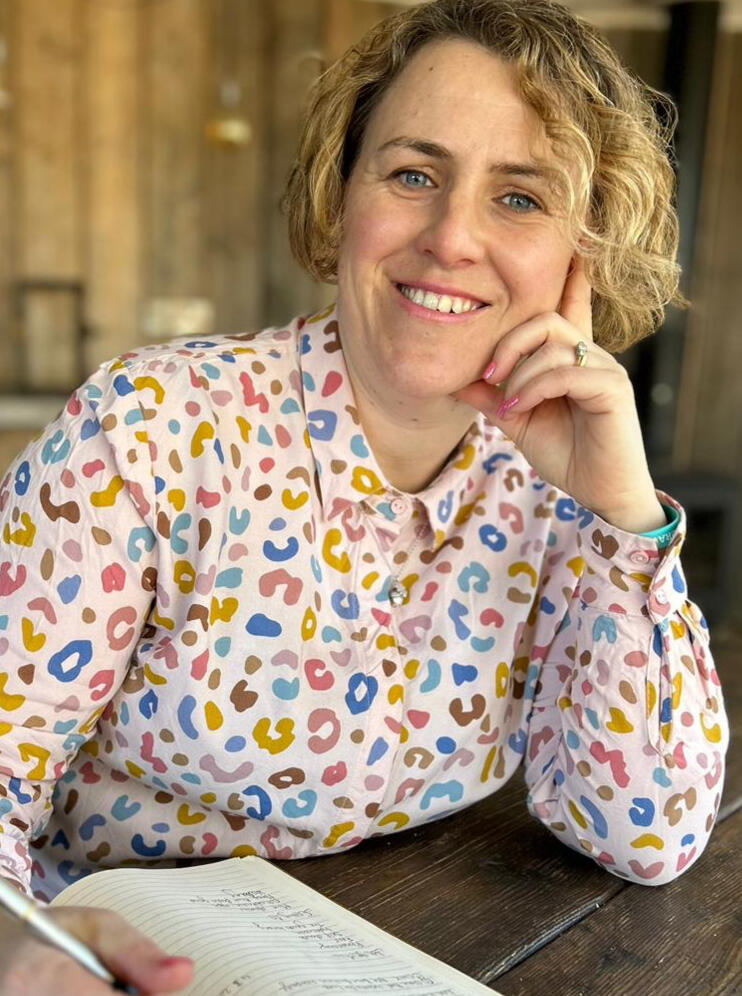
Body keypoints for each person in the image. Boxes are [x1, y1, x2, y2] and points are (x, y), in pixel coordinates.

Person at [0, 0, 730, 991]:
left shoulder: (561, 481)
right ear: (341, 196)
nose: (451, 237)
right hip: (108, 952)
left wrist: (621, 517)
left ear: (586, 252)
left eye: (521, 197)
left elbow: (644, 833)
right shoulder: (148, 427)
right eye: (413, 175)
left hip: (410, 942)